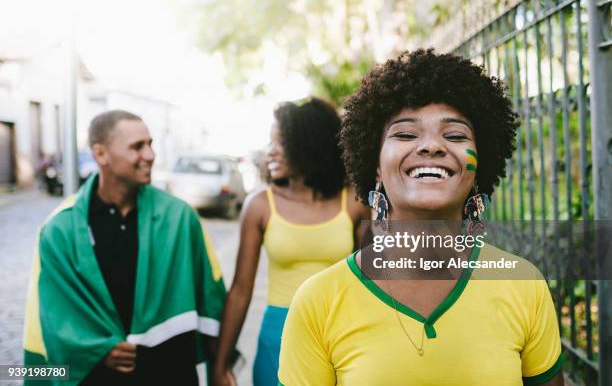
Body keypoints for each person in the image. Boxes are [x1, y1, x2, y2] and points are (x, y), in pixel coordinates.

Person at [278, 50, 564, 385]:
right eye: (406, 134)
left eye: (455, 135)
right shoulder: (320, 300)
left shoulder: (523, 284)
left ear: (479, 165)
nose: (431, 146)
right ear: (375, 165)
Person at [23, 110, 227, 385]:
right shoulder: (60, 229)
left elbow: (211, 297)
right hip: (99, 378)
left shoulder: (180, 218)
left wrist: (220, 366)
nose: (150, 155)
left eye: (150, 144)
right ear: (101, 154)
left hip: (169, 373)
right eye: (137, 147)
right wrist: (99, 349)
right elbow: (52, 313)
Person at [213, 98, 370, 386]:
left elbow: (372, 280)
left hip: (339, 334)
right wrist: (220, 366)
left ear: (309, 144)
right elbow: (240, 290)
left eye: (280, 143)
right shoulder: (259, 205)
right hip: (277, 334)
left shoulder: (355, 202)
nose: (270, 152)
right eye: (269, 143)